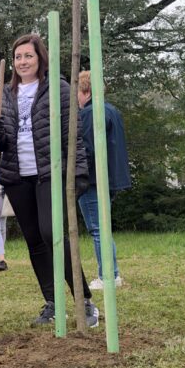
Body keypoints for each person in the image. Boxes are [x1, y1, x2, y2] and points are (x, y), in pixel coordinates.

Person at [0, 33, 99, 327]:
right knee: (35, 241)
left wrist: (77, 174)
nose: (23, 62)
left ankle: (85, 301)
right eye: (18, 57)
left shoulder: (59, 89)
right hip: (17, 176)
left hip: (50, 173)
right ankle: (52, 303)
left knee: (53, 233)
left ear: (40, 58)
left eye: (28, 56)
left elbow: (72, 134)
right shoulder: (5, 94)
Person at [76, 70, 131, 289]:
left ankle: (108, 275)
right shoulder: (111, 111)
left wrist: (78, 176)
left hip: (92, 180)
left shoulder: (89, 114)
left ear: (86, 92)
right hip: (109, 177)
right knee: (103, 227)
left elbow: (87, 149)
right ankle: (111, 273)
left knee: (98, 229)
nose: (76, 99)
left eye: (77, 93)